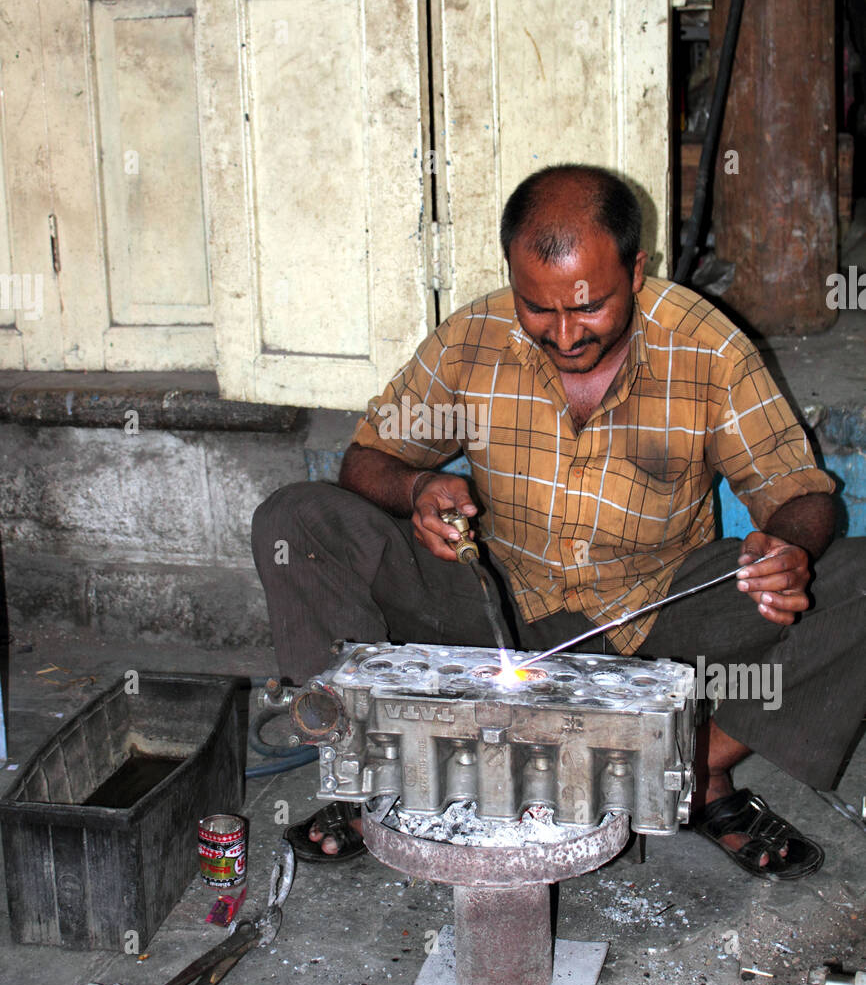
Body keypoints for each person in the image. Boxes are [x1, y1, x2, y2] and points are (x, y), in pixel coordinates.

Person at [253, 164, 865, 878]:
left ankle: (688, 771)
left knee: (857, 583)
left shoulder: (708, 350)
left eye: (591, 308)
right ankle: (374, 765)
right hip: (494, 606)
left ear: (637, 272)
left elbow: (799, 489)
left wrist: (787, 545)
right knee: (296, 521)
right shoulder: (474, 340)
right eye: (538, 309)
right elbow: (367, 460)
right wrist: (419, 485)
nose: (566, 335)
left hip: (655, 623)